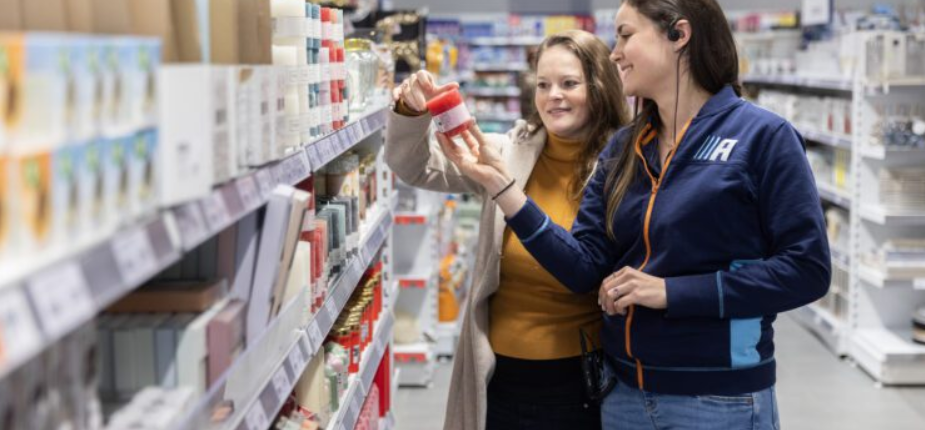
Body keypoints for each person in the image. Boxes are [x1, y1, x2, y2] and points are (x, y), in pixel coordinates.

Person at [435, 1, 832, 429]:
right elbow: (583, 268)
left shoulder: (762, 137)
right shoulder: (624, 148)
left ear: (679, 35)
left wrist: (670, 292)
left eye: (625, 35)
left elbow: (806, 269)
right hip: (623, 395)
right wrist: (504, 189)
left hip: (717, 398)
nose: (614, 52)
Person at [384, 30, 630, 430]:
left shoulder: (622, 167)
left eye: (569, 83)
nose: (554, 96)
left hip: (581, 381)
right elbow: (415, 166)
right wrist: (411, 111)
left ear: (600, 87)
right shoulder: (507, 153)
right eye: (544, 84)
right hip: (498, 374)